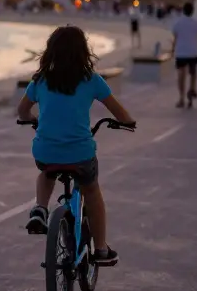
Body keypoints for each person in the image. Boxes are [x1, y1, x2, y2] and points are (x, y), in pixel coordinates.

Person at [18, 26, 135, 267]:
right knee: (91, 190)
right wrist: (126, 122)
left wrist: (32, 119)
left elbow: (22, 110)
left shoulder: (40, 80)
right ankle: (101, 249)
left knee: (47, 171)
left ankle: (40, 208)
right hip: (80, 152)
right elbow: (120, 112)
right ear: (83, 52)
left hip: (45, 150)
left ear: (51, 51)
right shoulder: (91, 80)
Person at [170, 2, 197, 108]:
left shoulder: (178, 23)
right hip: (193, 51)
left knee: (181, 74)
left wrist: (172, 50)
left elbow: (175, 37)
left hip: (181, 52)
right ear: (192, 11)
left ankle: (181, 98)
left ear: (183, 11)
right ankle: (192, 88)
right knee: (193, 72)